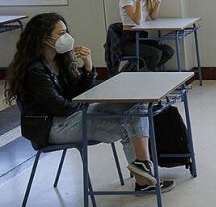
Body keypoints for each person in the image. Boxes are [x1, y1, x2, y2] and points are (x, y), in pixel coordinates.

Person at [4, 13, 173, 193]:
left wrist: (88, 68)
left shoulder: (59, 60)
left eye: (66, 32)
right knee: (128, 124)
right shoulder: (35, 71)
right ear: (44, 38)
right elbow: (61, 107)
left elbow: (79, 93)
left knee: (135, 103)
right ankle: (143, 179)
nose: (66, 37)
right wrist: (85, 103)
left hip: (72, 116)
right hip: (53, 128)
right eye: (61, 33)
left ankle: (142, 165)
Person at [119, 0, 174, 72]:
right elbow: (137, 20)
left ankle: (140, 70)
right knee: (155, 54)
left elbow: (153, 17)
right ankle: (147, 75)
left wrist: (157, 4)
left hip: (142, 36)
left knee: (168, 51)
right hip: (129, 40)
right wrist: (139, 1)